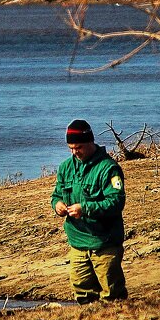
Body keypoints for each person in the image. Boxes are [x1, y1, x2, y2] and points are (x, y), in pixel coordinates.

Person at [51, 119, 127, 303]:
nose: (74, 152)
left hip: (104, 243)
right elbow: (56, 194)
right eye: (71, 148)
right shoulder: (66, 167)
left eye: (78, 147)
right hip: (77, 242)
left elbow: (116, 201)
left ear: (90, 142)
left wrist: (85, 209)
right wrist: (57, 205)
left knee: (112, 294)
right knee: (82, 292)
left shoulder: (109, 168)